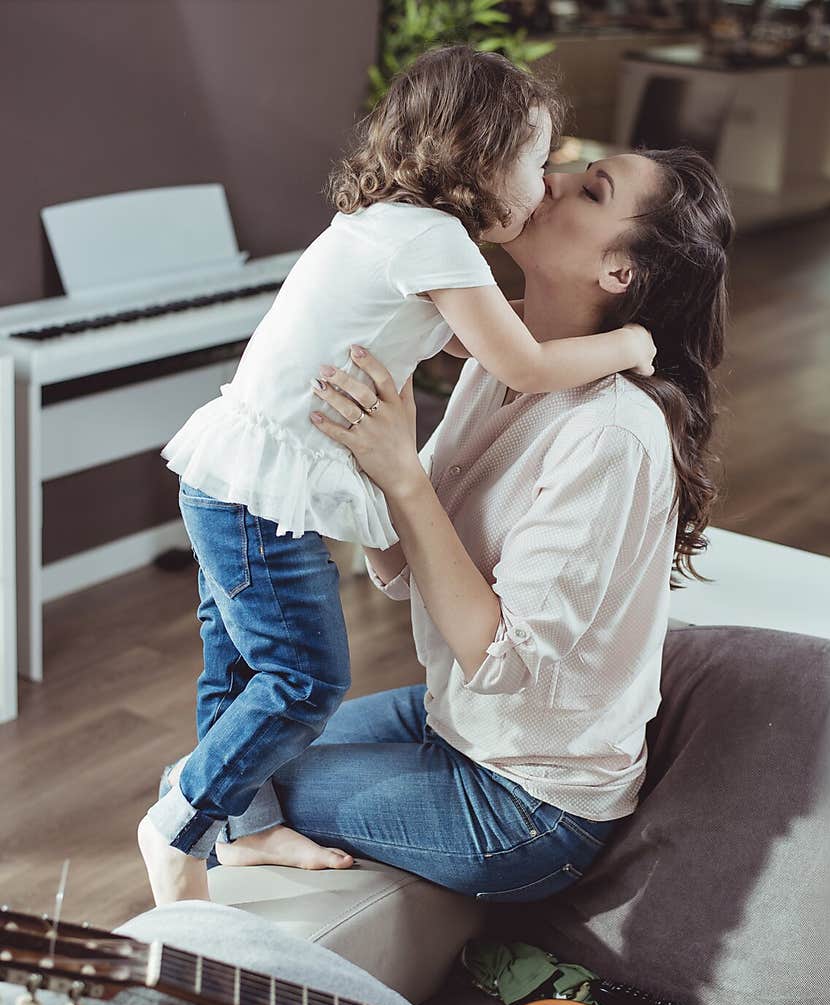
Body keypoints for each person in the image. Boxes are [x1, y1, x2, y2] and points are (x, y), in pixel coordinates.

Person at [138, 46, 656, 906]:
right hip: (264, 489)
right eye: (539, 159)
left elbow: (473, 337)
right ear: (481, 159)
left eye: (580, 179)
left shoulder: (397, 226)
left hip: (231, 475)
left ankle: (245, 821)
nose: (551, 178)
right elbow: (519, 362)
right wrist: (631, 343)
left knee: (236, 668)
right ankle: (183, 822)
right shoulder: (434, 241)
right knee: (302, 684)